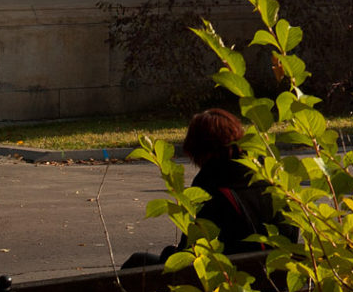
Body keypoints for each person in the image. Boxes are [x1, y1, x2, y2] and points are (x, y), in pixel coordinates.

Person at [122, 107, 289, 265]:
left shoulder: (210, 186)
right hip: (276, 277)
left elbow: (191, 251)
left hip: (225, 280)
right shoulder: (271, 178)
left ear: (200, 150)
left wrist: (169, 254)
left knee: (137, 261)